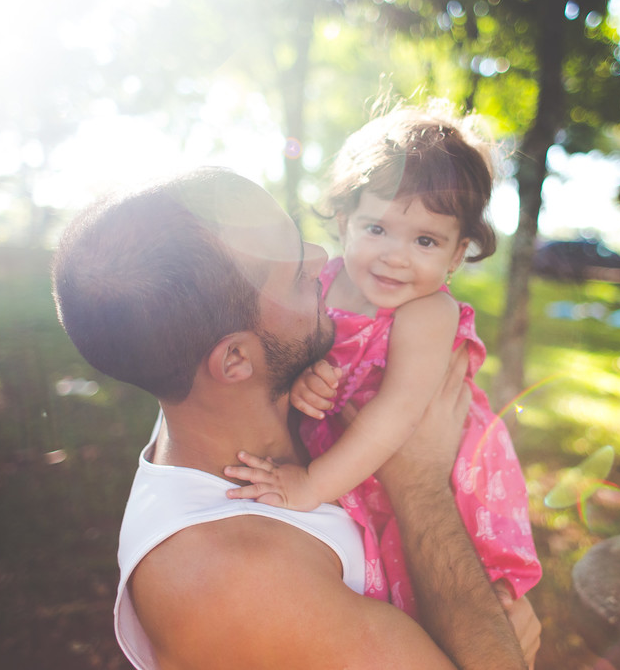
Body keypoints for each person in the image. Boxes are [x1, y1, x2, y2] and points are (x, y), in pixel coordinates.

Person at [51, 167, 539, 669]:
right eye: (289, 267)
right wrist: (420, 485)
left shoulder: (221, 406)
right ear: (235, 361)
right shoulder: (237, 576)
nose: (322, 257)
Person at [225, 107, 541, 618]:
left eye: (425, 241)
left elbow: (397, 414)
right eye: (377, 229)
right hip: (349, 462)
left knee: (429, 589)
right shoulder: (322, 283)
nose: (396, 256)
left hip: (424, 469)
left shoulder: (427, 312)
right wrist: (307, 379)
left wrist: (310, 485)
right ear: (346, 220)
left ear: (457, 254)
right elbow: (294, 359)